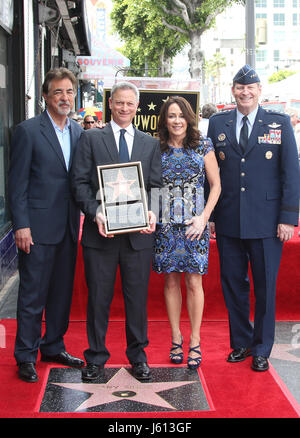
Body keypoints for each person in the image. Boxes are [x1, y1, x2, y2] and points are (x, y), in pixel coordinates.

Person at [207, 65, 300, 372]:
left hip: (267, 222)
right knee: (233, 286)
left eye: (251, 87)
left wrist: (288, 217)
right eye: (239, 87)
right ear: (232, 90)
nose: (245, 92)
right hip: (229, 220)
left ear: (259, 90)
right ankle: (241, 343)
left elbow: (291, 173)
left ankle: (261, 347)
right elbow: (212, 175)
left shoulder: (279, 121)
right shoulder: (218, 123)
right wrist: (210, 215)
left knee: (264, 287)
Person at [71, 81, 162, 381]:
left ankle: (138, 355)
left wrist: (153, 211)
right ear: (110, 104)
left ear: (137, 107)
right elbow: (79, 184)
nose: (124, 108)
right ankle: (96, 357)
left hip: (138, 238)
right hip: (101, 236)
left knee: (136, 299)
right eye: (119, 102)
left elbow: (156, 186)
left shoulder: (150, 144)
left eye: (130, 104)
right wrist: (95, 212)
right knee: (98, 298)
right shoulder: (91, 138)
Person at [8, 67, 85, 383]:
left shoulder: (79, 132)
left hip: (68, 227)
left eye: (69, 91)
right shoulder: (28, 131)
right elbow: (17, 183)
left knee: (60, 293)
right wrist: (20, 224)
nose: (65, 97)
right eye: (58, 92)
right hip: (37, 229)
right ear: (45, 96)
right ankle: (25, 354)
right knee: (32, 294)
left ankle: (53, 345)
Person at [152, 96, 221, 369]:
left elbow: (216, 185)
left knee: (194, 283)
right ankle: (175, 338)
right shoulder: (155, 148)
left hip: (195, 225)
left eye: (181, 115)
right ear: (164, 120)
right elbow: (148, 185)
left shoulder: (203, 145)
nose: (177, 120)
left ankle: (195, 340)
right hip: (166, 225)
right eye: (171, 115)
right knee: (170, 282)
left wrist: (204, 218)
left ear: (189, 118)